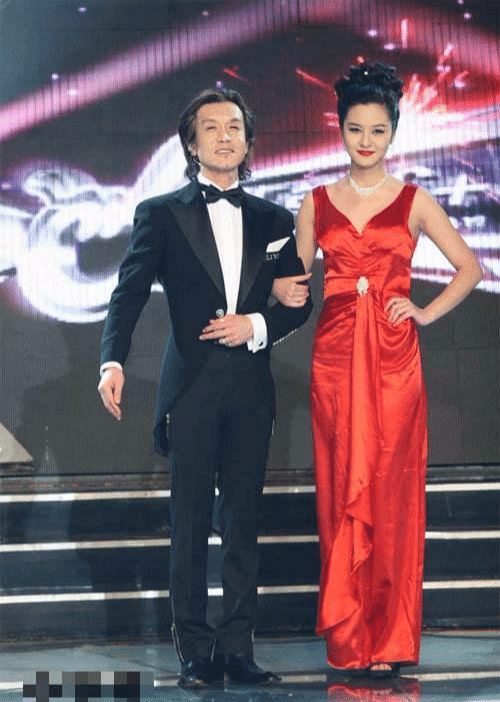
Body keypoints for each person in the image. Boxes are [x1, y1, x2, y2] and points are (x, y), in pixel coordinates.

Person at [272, 62, 482, 677]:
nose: (366, 141)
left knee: (391, 495)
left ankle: (389, 641)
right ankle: (349, 642)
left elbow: (469, 268)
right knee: (342, 486)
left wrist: (423, 312)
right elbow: (293, 282)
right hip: (336, 361)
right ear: (339, 130)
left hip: (394, 363)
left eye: (378, 130)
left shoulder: (415, 201)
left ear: (393, 133)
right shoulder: (315, 203)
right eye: (355, 129)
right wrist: (282, 290)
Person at [98, 87, 312, 688]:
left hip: (250, 386)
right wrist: (112, 361)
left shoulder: (275, 220)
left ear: (248, 141)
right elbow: (128, 292)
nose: (224, 135)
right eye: (211, 127)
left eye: (234, 126)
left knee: (242, 520)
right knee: (189, 522)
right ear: (192, 144)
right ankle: (194, 649)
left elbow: (300, 301)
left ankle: (238, 647)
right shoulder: (161, 213)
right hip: (189, 385)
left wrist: (256, 324)